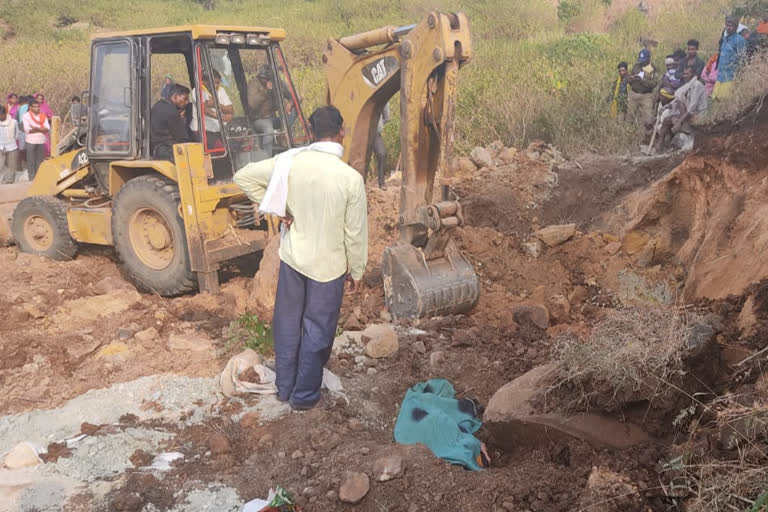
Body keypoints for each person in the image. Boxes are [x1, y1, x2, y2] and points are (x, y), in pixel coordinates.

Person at [233, 105, 368, 411]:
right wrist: (357, 271)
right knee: (317, 330)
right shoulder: (349, 178)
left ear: (310, 133)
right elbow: (355, 232)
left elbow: (243, 177)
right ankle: (304, 397)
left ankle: (284, 389)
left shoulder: (289, 162)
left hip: (294, 260)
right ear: (341, 132)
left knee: (288, 324)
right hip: (328, 267)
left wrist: (278, 210)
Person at [655, 66, 708, 152]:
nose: (685, 76)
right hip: (688, 114)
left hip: (697, 117)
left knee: (673, 120)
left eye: (687, 74)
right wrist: (666, 107)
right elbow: (676, 100)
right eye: (684, 74)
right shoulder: (689, 86)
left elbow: (691, 109)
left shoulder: (697, 85)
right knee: (666, 120)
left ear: (693, 74)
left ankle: (667, 145)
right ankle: (660, 145)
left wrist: (679, 122)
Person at [247, 64, 293, 158]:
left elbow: (298, 97)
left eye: (269, 79)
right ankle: (266, 158)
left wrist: (290, 103)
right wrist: (266, 91)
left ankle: (282, 133)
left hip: (273, 118)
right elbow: (252, 103)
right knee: (268, 130)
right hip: (259, 120)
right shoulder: (254, 84)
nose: (266, 81)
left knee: (295, 110)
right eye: (264, 79)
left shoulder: (277, 83)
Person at [190, 69, 233, 150]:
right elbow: (206, 110)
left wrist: (216, 105)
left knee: (234, 145)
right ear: (205, 82)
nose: (217, 85)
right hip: (203, 131)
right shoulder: (197, 91)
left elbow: (231, 110)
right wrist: (224, 117)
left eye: (218, 82)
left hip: (219, 129)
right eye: (215, 83)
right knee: (222, 149)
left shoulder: (221, 90)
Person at [150, 84, 191, 161]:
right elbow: (182, 138)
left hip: (155, 148)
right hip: (167, 150)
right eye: (185, 99)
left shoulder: (157, 105)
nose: (187, 102)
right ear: (175, 96)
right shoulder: (173, 113)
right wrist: (182, 120)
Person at [713, 16, 747, 100]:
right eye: (727, 25)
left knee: (724, 100)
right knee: (716, 99)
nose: (728, 28)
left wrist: (738, 77)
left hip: (730, 77)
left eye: (731, 26)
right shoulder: (724, 39)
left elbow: (743, 60)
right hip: (720, 76)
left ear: (736, 27)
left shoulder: (739, 40)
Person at [627, 48, 659, 129]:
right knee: (629, 117)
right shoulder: (636, 65)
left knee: (648, 119)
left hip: (646, 96)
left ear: (649, 58)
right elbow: (630, 77)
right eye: (641, 59)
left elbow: (654, 83)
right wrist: (630, 79)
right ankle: (629, 133)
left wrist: (642, 80)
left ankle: (647, 136)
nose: (642, 62)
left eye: (644, 60)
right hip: (633, 94)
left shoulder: (654, 68)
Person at [22, 100, 49, 179]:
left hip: (41, 141)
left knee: (40, 160)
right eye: (35, 107)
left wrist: (36, 128)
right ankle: (31, 177)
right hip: (31, 141)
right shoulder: (26, 116)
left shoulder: (42, 116)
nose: (37, 108)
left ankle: (38, 178)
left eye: (38, 106)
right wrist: (41, 129)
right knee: (31, 160)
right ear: (30, 107)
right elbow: (28, 130)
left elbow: (47, 129)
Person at [0, 106, 20, 184]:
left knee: (12, 166)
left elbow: (17, 133)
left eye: (1, 114)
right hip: (0, 146)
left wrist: (12, 141)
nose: (0, 117)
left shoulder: (13, 122)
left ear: (5, 113)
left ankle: (9, 181)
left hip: (12, 147)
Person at [373, 103, 391, 189]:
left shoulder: (383, 99)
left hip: (375, 134)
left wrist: (379, 125)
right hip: (362, 133)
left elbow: (387, 118)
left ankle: (382, 182)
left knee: (382, 154)